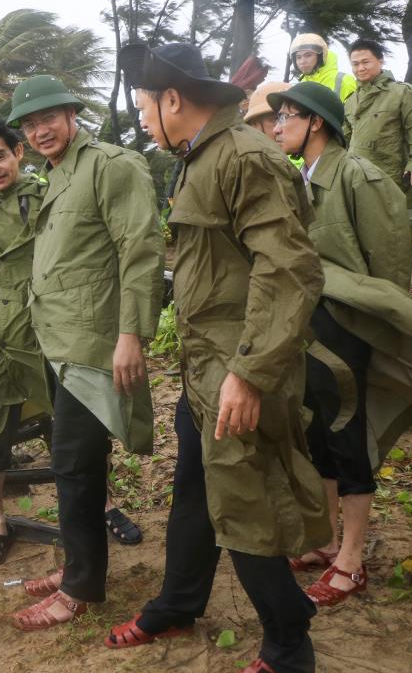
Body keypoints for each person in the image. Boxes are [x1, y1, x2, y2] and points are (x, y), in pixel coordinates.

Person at [111, 42, 328, 673]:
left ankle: (289, 641)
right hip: (207, 365)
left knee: (244, 498)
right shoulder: (199, 158)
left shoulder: (245, 158)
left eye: (146, 106)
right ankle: (179, 601)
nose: (144, 118)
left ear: (172, 99)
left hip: (240, 366)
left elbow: (289, 270)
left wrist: (250, 374)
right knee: (195, 488)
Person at [0, 115, 144, 567]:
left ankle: (104, 505)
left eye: (0, 156)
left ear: (18, 154)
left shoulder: (50, 194)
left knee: (70, 428)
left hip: (53, 329)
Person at [3, 75, 164, 630]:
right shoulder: (53, 177)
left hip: (94, 344)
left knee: (73, 464)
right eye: (28, 124)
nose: (39, 130)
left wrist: (131, 336)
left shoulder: (112, 165)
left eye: (48, 118)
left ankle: (80, 589)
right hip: (58, 340)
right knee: (75, 464)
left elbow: (140, 251)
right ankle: (78, 565)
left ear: (73, 114)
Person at [268, 82, 412, 607]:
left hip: (349, 328)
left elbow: (390, 262)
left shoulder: (358, 175)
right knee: (319, 436)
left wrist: (380, 329)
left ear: (316, 123)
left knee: (347, 437)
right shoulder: (296, 179)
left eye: (286, 116)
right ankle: (325, 542)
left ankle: (351, 561)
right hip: (308, 327)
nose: (278, 125)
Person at [343, 38, 412, 254]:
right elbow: (346, 137)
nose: (360, 68)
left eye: (366, 62)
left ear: (380, 61)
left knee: (399, 233)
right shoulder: (350, 100)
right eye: (355, 64)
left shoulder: (404, 93)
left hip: (393, 175)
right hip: (358, 176)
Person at [290, 33, 356, 102]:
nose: (302, 61)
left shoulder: (344, 80)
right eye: (298, 57)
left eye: (308, 55)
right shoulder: (301, 84)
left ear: (320, 56)